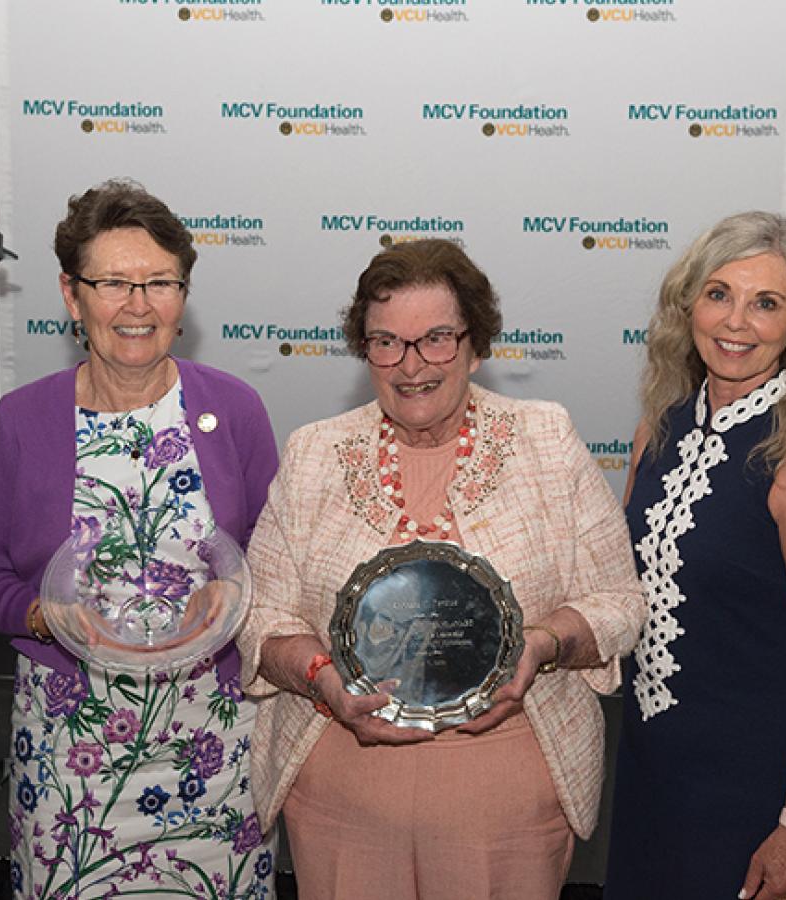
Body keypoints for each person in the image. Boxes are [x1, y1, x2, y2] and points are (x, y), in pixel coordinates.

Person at [237, 238, 644, 900]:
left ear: (475, 344)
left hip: (507, 816)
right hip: (343, 809)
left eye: (437, 340)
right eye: (386, 342)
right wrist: (322, 679)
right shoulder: (315, 452)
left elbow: (618, 601)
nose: (411, 364)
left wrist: (542, 645)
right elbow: (261, 616)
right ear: (364, 349)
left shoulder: (546, 438)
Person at [0, 179, 279, 899]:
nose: (138, 305)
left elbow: (280, 556)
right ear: (71, 294)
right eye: (113, 282)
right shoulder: (19, 422)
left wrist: (237, 590)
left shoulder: (234, 410)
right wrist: (43, 616)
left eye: (160, 283)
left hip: (215, 746)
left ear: (183, 295)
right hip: (71, 756)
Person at [604, 211, 786, 900]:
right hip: (650, 774)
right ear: (688, 303)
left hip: (755, 795)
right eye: (719, 293)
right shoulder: (657, 430)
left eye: (766, 304)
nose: (736, 321)